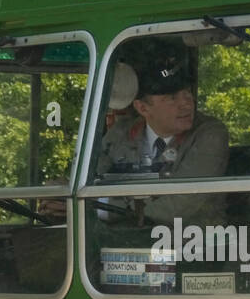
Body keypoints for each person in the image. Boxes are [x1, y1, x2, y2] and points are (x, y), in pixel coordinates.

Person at [97, 42, 229, 224]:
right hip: (123, 242)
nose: (187, 104)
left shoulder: (210, 133)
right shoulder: (119, 134)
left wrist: (105, 208)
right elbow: (91, 181)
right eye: (172, 98)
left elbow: (178, 204)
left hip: (195, 247)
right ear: (142, 108)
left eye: (187, 93)